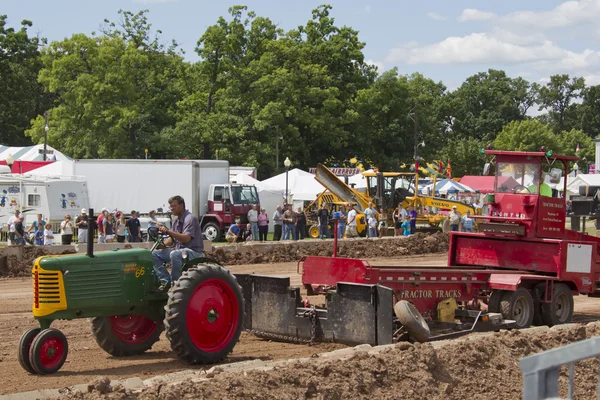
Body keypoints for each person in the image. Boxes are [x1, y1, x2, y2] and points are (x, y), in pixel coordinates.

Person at [152, 195, 205, 291]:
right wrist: (162, 245)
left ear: (182, 206)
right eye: (170, 206)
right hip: (180, 251)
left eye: (174, 206)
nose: (171, 208)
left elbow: (186, 239)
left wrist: (168, 231)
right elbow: (172, 239)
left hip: (194, 253)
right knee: (154, 254)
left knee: (174, 254)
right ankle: (165, 281)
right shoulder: (175, 220)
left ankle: (175, 284)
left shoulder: (190, 218)